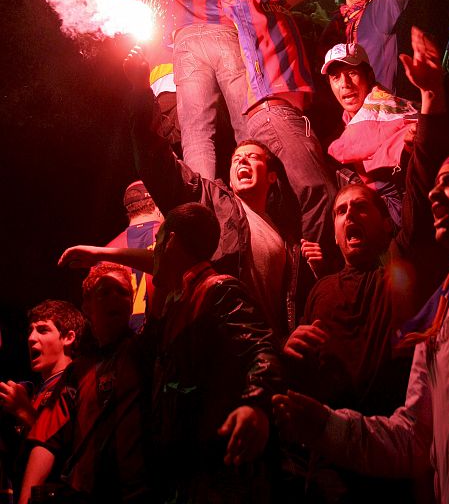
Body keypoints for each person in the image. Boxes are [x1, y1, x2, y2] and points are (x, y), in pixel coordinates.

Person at [274, 149, 449, 504]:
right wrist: (326, 426)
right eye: (340, 211)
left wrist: (432, 109)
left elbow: (416, 198)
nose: (436, 193)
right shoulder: (436, 323)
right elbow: (415, 438)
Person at [60, 46, 315, 337]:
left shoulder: (286, 236)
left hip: (267, 353)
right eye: (236, 159)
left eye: (253, 157)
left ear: (272, 177)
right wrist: (142, 90)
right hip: (219, 343)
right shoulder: (212, 201)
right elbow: (156, 162)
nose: (242, 159)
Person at [206, 0, 337, 254]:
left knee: (295, 203)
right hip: (272, 110)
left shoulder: (277, 2)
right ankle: (323, 276)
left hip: (289, 114)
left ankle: (297, 268)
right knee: (319, 192)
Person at [150, 202, 283, 503]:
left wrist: (256, 404)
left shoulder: (218, 289)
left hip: (220, 473)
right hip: (190, 473)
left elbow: (261, 348)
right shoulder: (179, 302)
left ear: (170, 240)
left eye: (157, 242)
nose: (153, 252)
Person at [121, 0, 248, 180]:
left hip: (187, 42)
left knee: (195, 134)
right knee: (246, 121)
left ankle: (201, 206)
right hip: (226, 31)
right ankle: (259, 197)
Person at [21, 265, 155, 504]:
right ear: (87, 307)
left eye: (122, 292)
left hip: (138, 493)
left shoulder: (145, 349)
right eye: (104, 292)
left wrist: (97, 254)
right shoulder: (78, 370)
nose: (114, 296)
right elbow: (48, 439)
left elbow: (172, 266)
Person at [321, 40, 419, 227]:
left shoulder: (387, 107)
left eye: (352, 73)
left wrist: (406, 145)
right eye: (335, 77)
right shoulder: (344, 124)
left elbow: (414, 130)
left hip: (407, 204)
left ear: (369, 76)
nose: (345, 84)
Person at [0, 302, 85, 503]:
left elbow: (70, 452)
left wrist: (24, 412)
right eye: (30, 330)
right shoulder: (37, 389)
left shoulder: (76, 384)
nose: (31, 338)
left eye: (43, 330)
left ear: (68, 337)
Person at [105, 180, 162, 331]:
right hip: (162, 343)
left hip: (122, 346)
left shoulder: (104, 253)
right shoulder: (172, 241)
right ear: (158, 206)